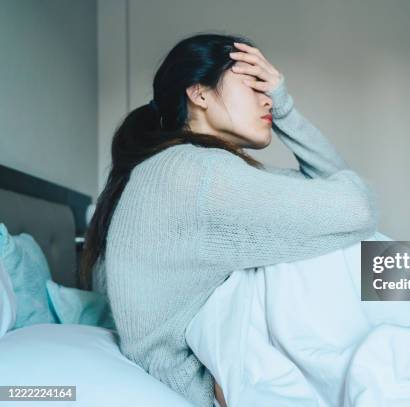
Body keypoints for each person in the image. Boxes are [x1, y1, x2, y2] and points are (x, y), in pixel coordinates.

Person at [79, 32, 379, 407]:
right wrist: (287, 113)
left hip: (221, 367)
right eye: (253, 86)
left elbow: (331, 189)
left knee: (368, 251)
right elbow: (356, 209)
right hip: (214, 382)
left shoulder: (194, 168)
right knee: (384, 257)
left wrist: (284, 108)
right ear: (199, 93)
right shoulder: (193, 174)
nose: (268, 97)